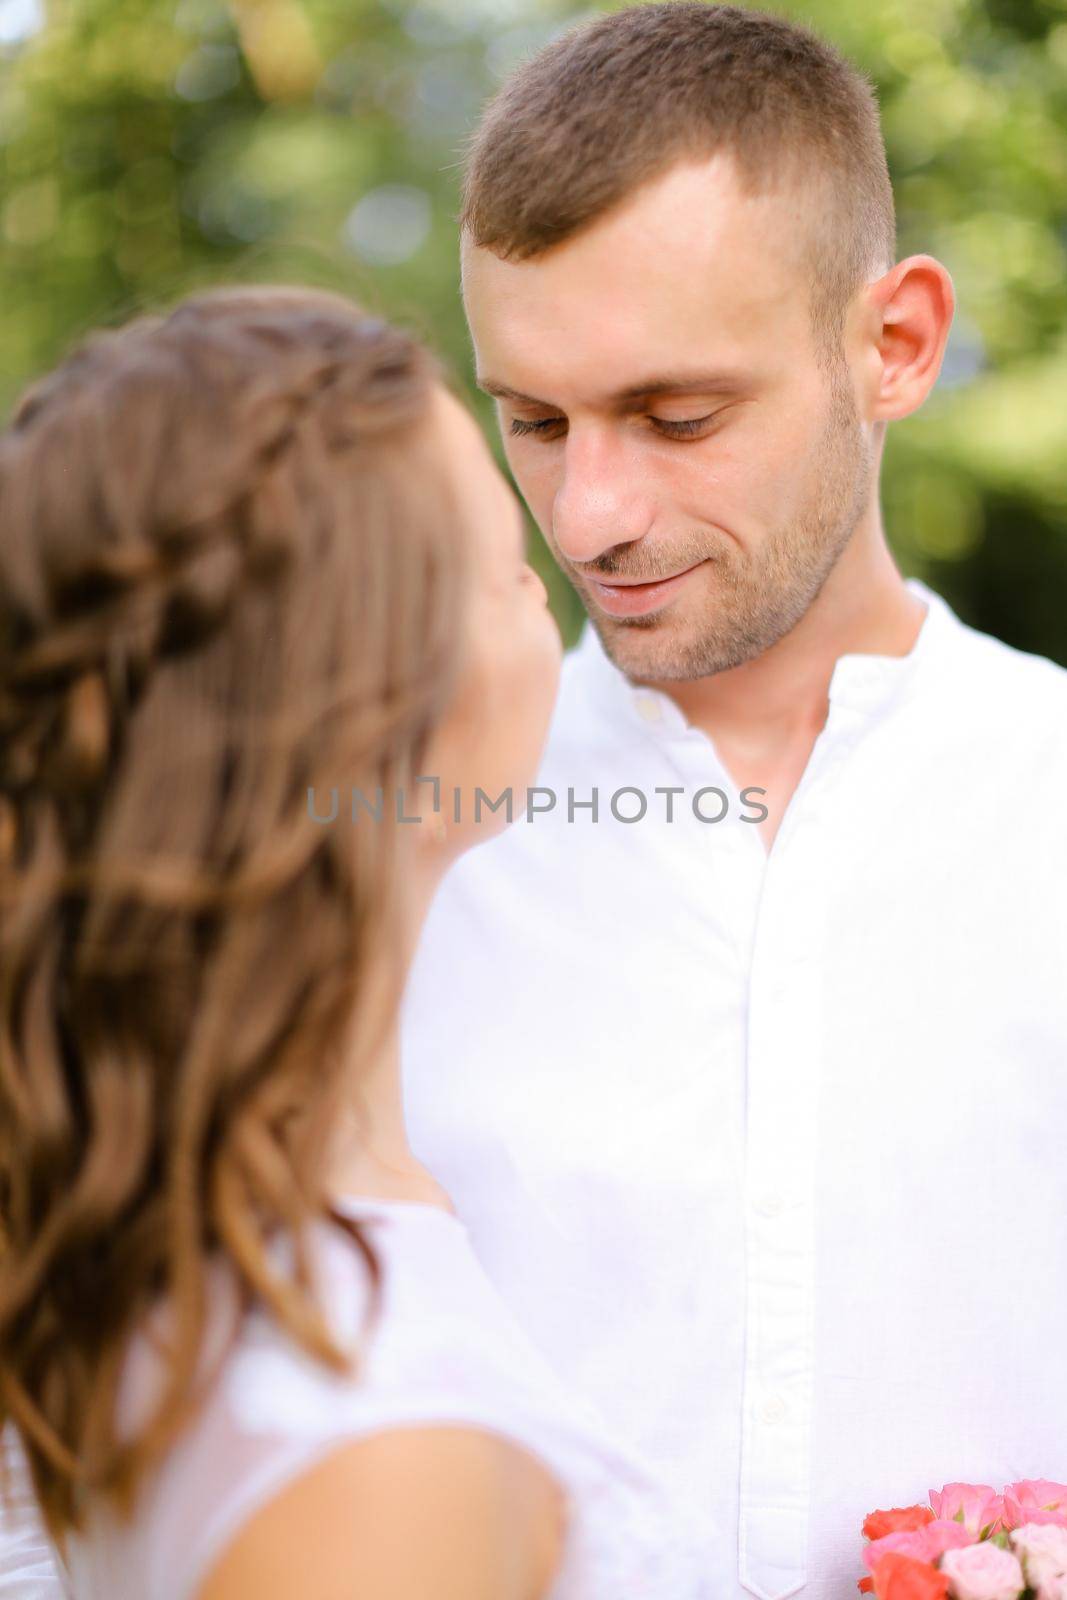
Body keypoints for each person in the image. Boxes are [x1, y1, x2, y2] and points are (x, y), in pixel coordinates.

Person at [399, 7, 1067, 1600]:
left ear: (893, 346)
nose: (594, 515)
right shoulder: (390, 855)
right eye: (537, 423)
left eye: (679, 416)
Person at [0, 287, 712, 1599]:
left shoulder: (149, 1218)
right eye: (505, 562)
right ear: (387, 696)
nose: (565, 561)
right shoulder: (374, 1448)